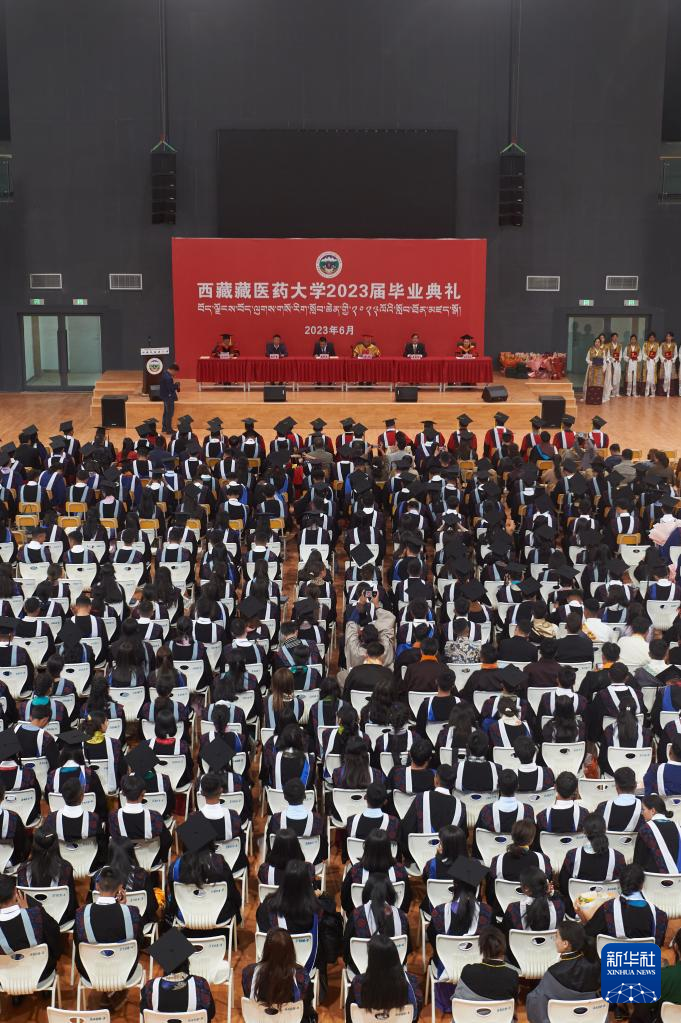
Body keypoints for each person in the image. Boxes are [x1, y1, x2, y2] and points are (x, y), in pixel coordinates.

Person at [525, 920, 601, 1023]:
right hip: (592, 1018)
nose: (555, 941)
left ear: (565, 944)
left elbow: (536, 1001)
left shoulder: (553, 972)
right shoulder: (597, 964)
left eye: (556, 937)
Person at [141, 927, 216, 1021]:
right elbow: (211, 1013)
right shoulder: (200, 984)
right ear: (186, 962)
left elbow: (144, 1013)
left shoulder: (150, 987)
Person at [243, 928, 315, 1023]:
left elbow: (249, 997)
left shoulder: (249, 972)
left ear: (266, 948)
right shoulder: (301, 975)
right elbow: (306, 1005)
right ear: (291, 950)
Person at [346, 932, 421, 1023]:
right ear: (396, 956)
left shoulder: (358, 983)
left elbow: (350, 1016)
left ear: (371, 960)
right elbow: (414, 1017)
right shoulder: (412, 983)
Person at [453, 925, 519, 1002]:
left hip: (469, 1010)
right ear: (504, 947)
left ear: (481, 948)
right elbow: (513, 1004)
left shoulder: (467, 970)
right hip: (501, 1010)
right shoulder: (512, 975)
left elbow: (457, 1000)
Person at [582, 334, 609, 404]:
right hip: (592, 369)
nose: (597, 343)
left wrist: (604, 369)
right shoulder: (590, 350)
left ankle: (598, 399)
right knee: (590, 383)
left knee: (599, 384)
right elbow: (587, 359)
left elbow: (604, 361)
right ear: (594, 343)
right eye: (596, 342)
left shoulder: (602, 351)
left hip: (599, 370)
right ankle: (589, 398)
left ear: (600, 343)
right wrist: (591, 362)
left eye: (598, 342)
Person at [159, 362, 180, 435]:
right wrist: (176, 386)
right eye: (176, 372)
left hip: (164, 397)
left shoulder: (164, 374)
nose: (175, 374)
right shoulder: (168, 378)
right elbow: (170, 388)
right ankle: (169, 430)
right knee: (169, 414)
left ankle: (164, 428)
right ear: (173, 370)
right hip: (169, 397)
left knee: (166, 413)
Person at [643, 332, 660, 397]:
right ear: (649, 338)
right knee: (647, 377)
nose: (651, 339)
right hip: (647, 362)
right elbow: (643, 352)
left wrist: (655, 359)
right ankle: (646, 392)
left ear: (654, 338)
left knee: (652, 377)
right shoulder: (645, 344)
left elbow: (658, 353)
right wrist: (646, 357)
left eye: (653, 337)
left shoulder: (657, 345)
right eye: (650, 337)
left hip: (653, 362)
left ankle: (653, 392)